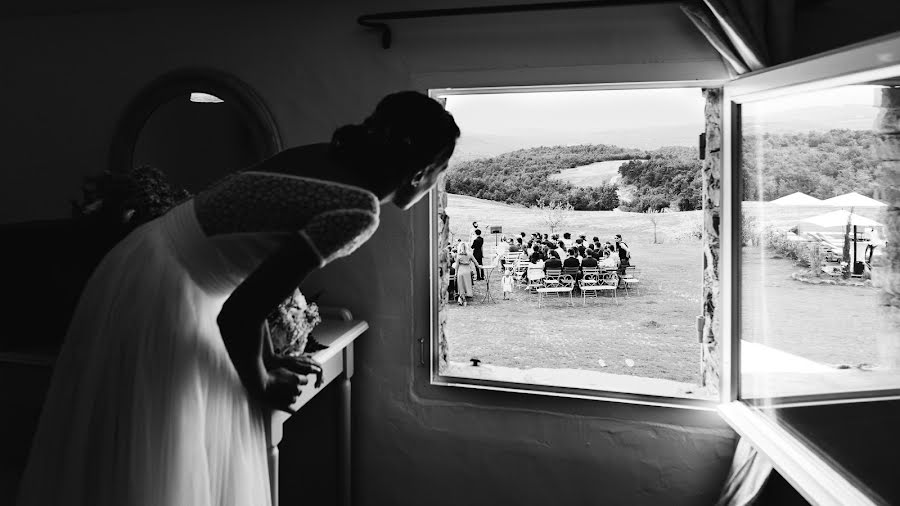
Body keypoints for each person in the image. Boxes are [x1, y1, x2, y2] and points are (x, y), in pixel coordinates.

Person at [17, 91, 460, 506]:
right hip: (175, 291)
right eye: (442, 168)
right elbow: (242, 310)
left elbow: (258, 282)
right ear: (422, 171)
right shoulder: (358, 211)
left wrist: (270, 358)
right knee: (162, 447)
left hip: (143, 260)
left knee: (125, 448)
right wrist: (262, 384)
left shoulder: (318, 157)